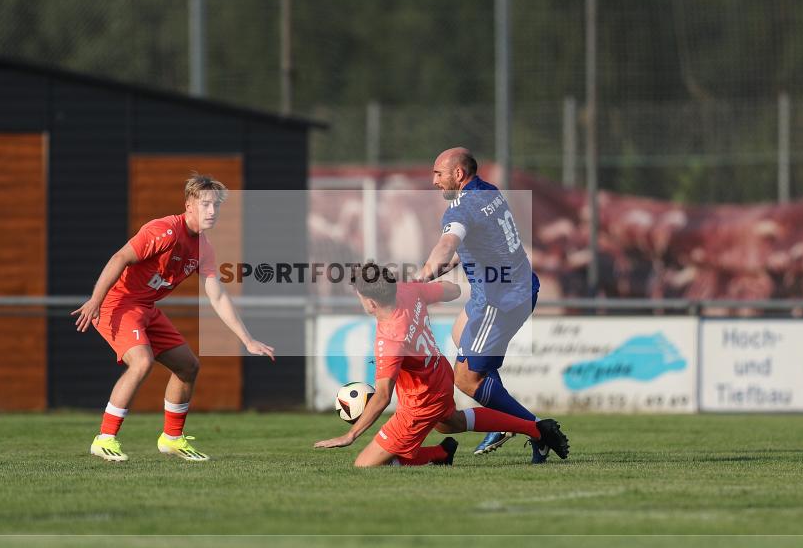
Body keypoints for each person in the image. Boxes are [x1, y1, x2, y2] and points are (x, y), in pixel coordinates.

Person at [72, 174, 275, 462]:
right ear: (188, 205)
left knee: (188, 366)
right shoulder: (164, 230)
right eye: (205, 205)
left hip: (146, 307)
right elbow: (120, 258)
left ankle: (172, 439)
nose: (212, 212)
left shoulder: (204, 248)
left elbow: (216, 295)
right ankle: (104, 439)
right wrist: (95, 299)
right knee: (141, 362)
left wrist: (247, 339)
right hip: (117, 304)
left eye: (216, 206)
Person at [313, 265, 568, 467]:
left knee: (365, 465)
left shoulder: (390, 339)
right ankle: (536, 428)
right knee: (451, 422)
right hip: (439, 374)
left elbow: (381, 396)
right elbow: (452, 291)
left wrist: (351, 435)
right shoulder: (407, 290)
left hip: (420, 401)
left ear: (371, 303)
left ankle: (437, 454)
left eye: (361, 297)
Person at [417, 147, 553, 461]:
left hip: (500, 300)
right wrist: (440, 267)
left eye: (439, 173)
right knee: (458, 335)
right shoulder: (487, 191)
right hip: (510, 289)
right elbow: (469, 247)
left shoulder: (460, 209)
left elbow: (447, 242)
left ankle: (536, 430)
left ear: (458, 174)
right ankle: (503, 422)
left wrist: (423, 274)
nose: (434, 180)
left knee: (466, 379)